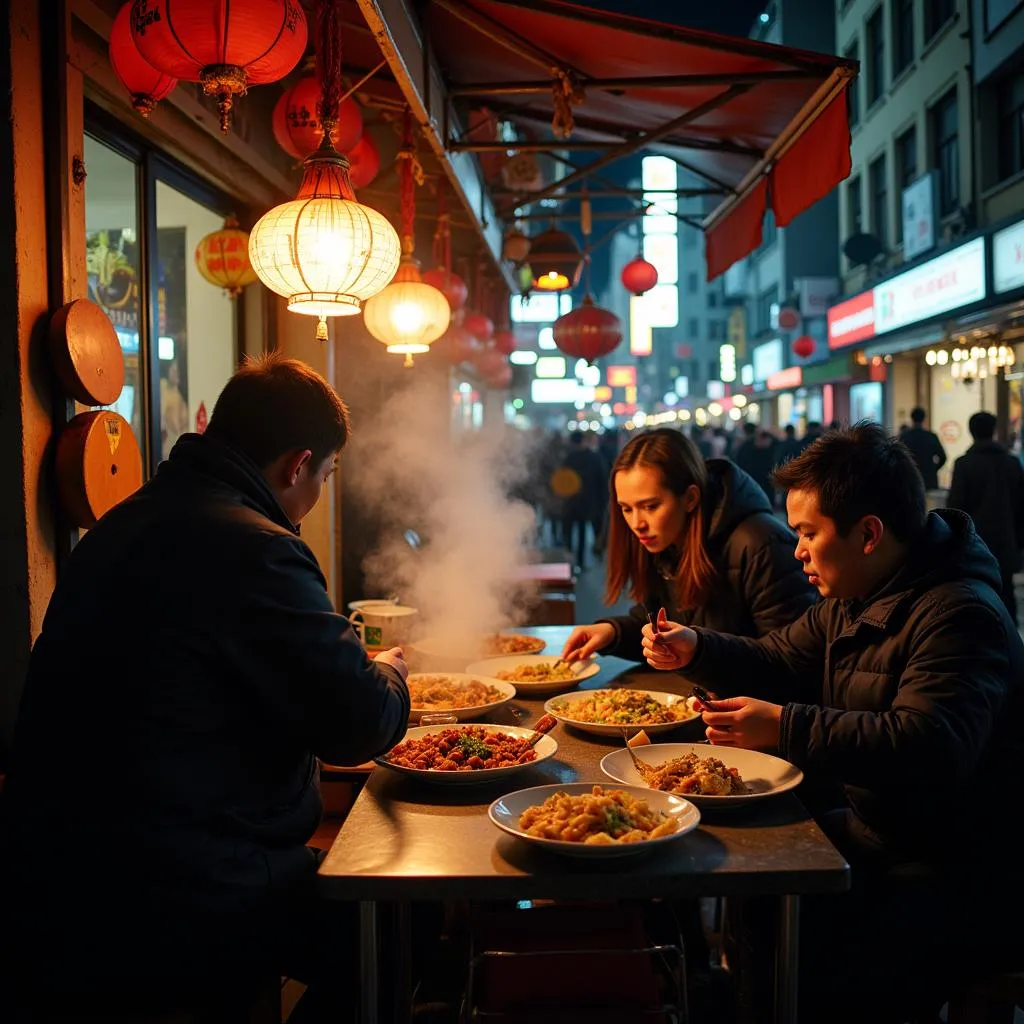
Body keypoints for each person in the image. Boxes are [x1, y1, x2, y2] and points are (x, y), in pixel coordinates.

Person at [0, 353, 411, 1018]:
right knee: (388, 929)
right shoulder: (256, 545)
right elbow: (360, 721)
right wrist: (391, 672)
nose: (318, 495)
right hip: (180, 883)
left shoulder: (126, 523)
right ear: (298, 465)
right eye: (326, 476)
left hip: (61, 871)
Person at [639, 422, 1024, 1022]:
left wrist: (784, 727)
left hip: (954, 870)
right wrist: (698, 648)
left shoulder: (958, 614)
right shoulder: (856, 594)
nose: (796, 551)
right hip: (883, 833)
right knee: (754, 880)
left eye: (808, 534)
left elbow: (932, 745)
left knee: (804, 952)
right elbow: (777, 657)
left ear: (869, 533)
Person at [560, 427, 815, 667]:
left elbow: (790, 660)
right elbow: (662, 626)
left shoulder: (760, 543)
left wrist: (699, 651)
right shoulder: (666, 540)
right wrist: (612, 632)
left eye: (650, 506)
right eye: (626, 509)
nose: (637, 523)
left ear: (690, 498)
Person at [947, 410, 1024, 622]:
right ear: (994, 431)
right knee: (1007, 594)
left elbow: (955, 508)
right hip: (1006, 541)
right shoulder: (1012, 463)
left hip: (975, 543)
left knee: (977, 596)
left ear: (972, 432)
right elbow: (1021, 506)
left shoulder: (965, 464)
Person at [901, 405, 946, 490]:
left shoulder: (905, 437)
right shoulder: (931, 436)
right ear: (924, 419)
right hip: (929, 480)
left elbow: (899, 458)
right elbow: (943, 457)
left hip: (911, 478)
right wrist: (933, 469)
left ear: (912, 418)